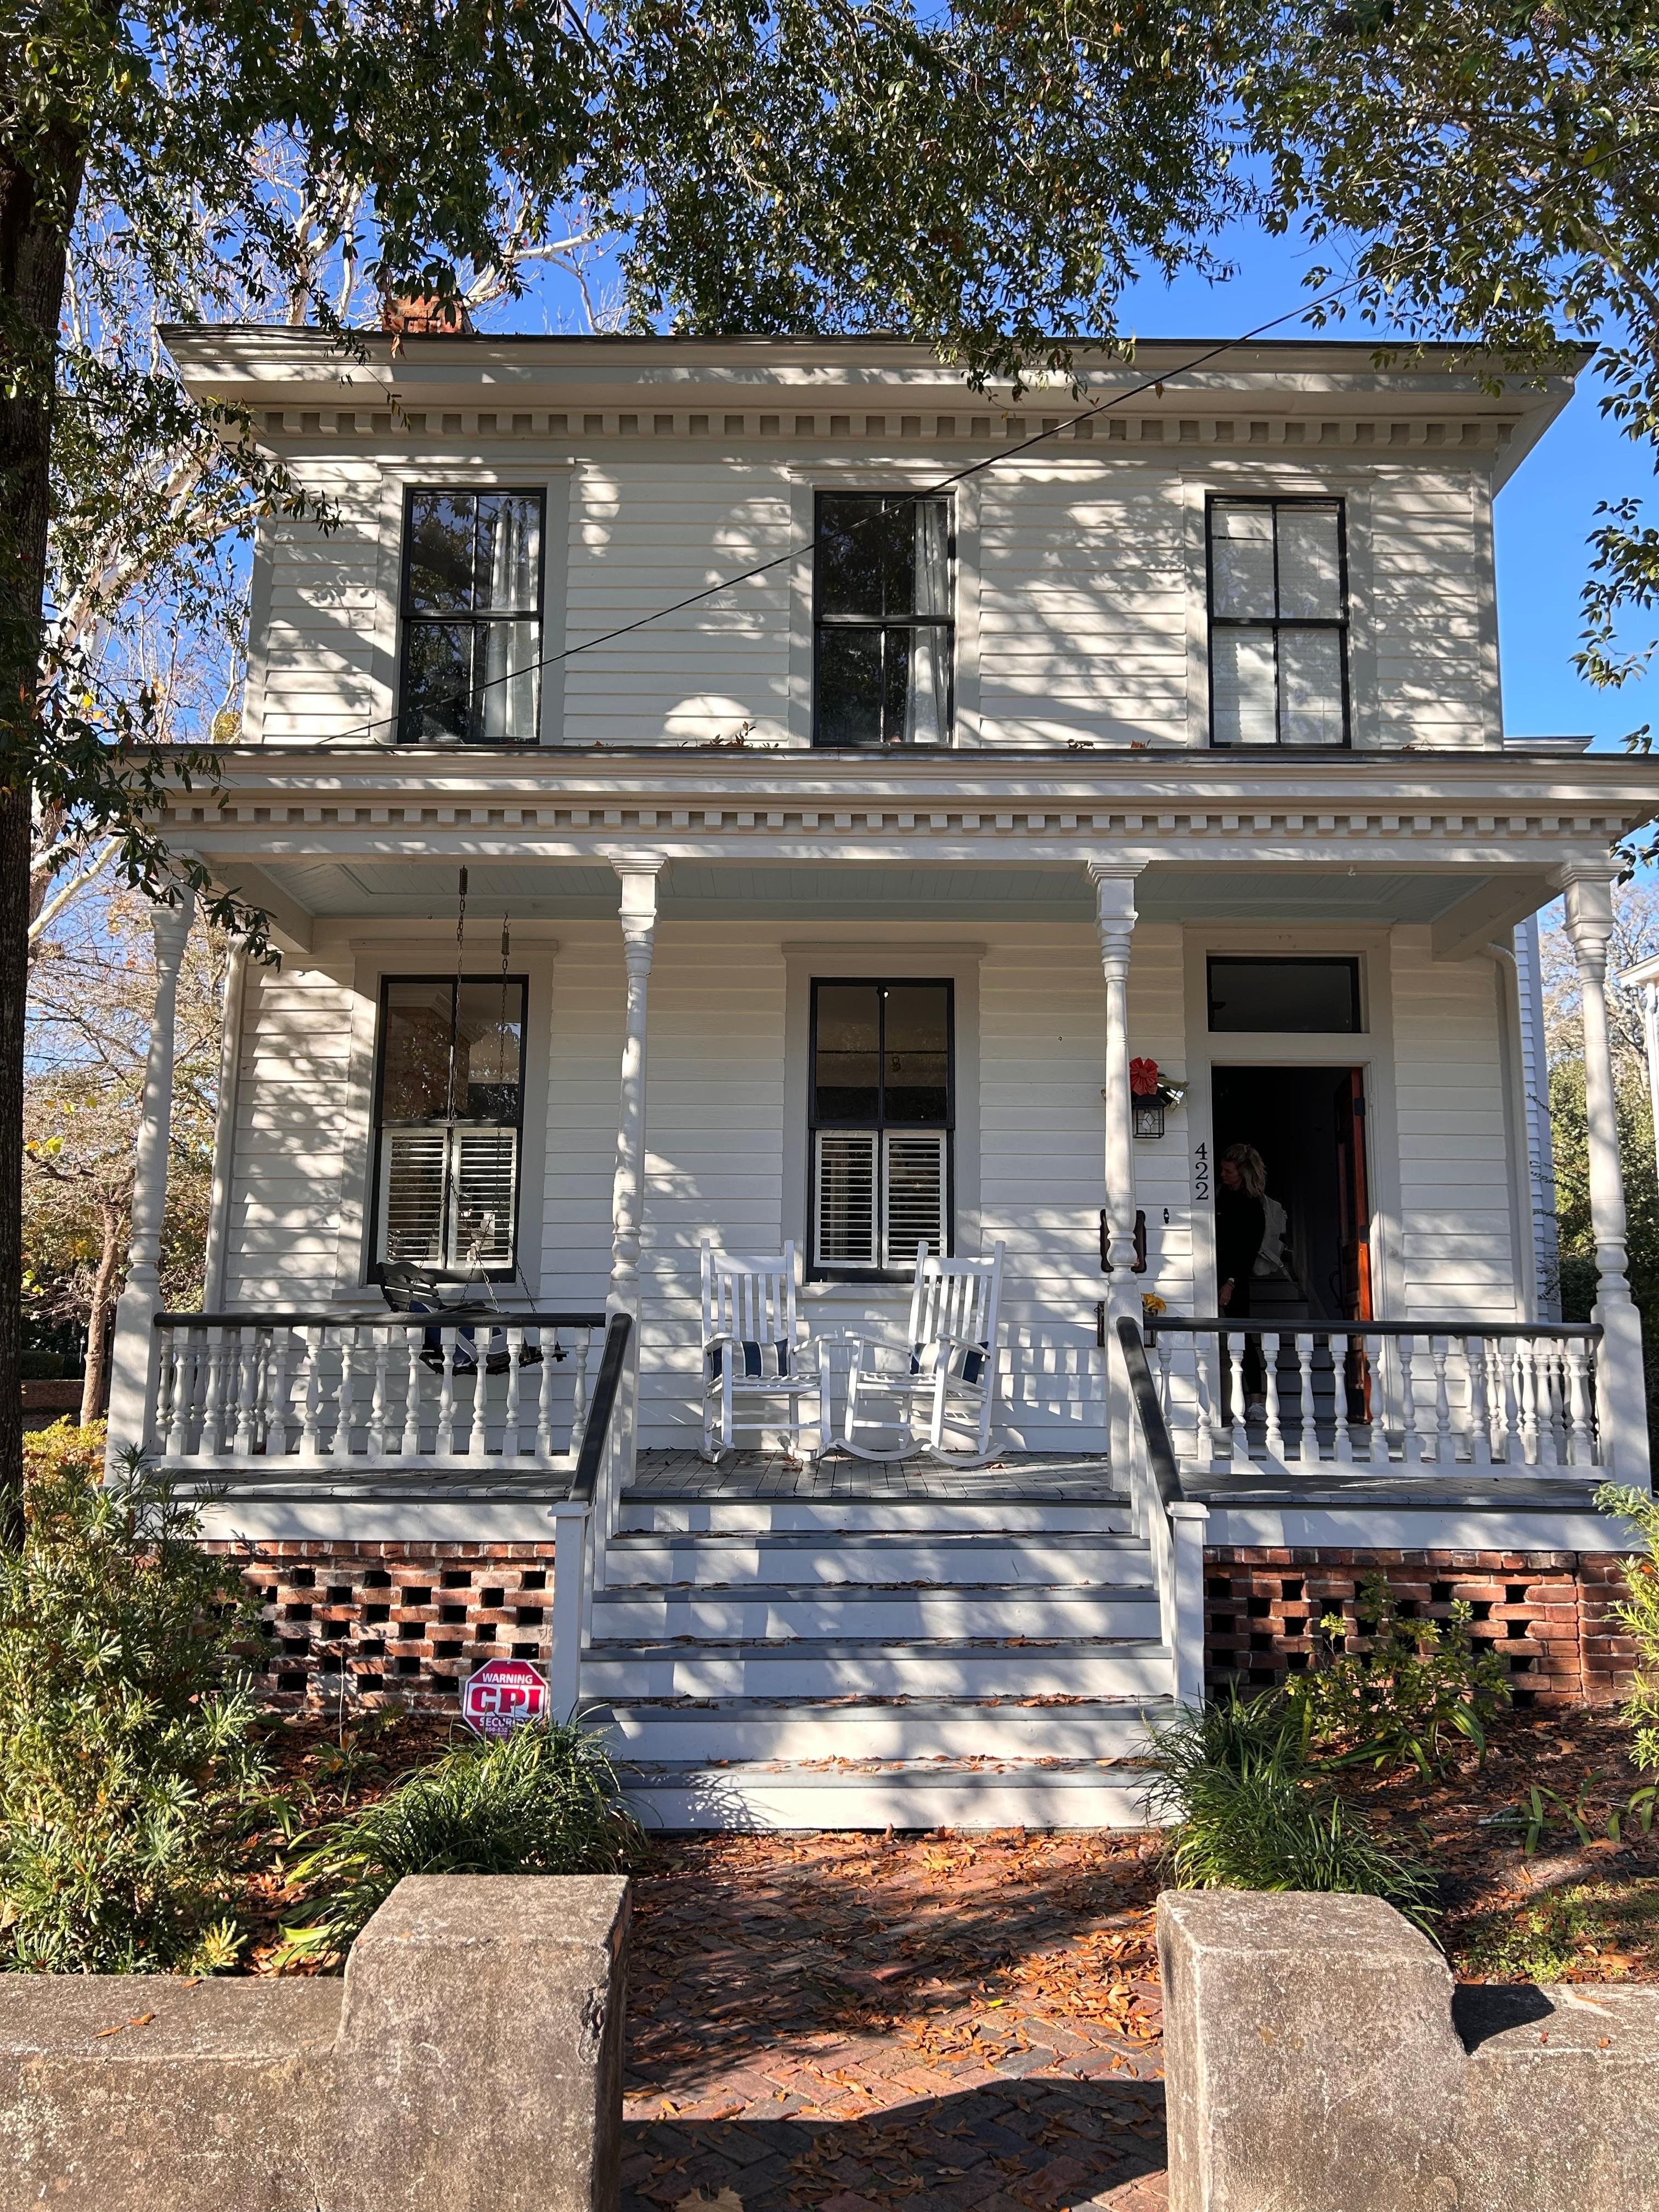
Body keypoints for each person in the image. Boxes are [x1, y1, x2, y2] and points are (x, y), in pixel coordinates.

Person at [1215, 1143, 1268, 1317]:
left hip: (1233, 1274)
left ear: (1243, 1173)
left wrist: (1231, 1283)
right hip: (1210, 1267)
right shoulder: (1217, 1194)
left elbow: (1248, 1251)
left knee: (1240, 1331)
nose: (1222, 1175)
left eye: (1229, 1172)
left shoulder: (1253, 1207)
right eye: (1222, 1169)